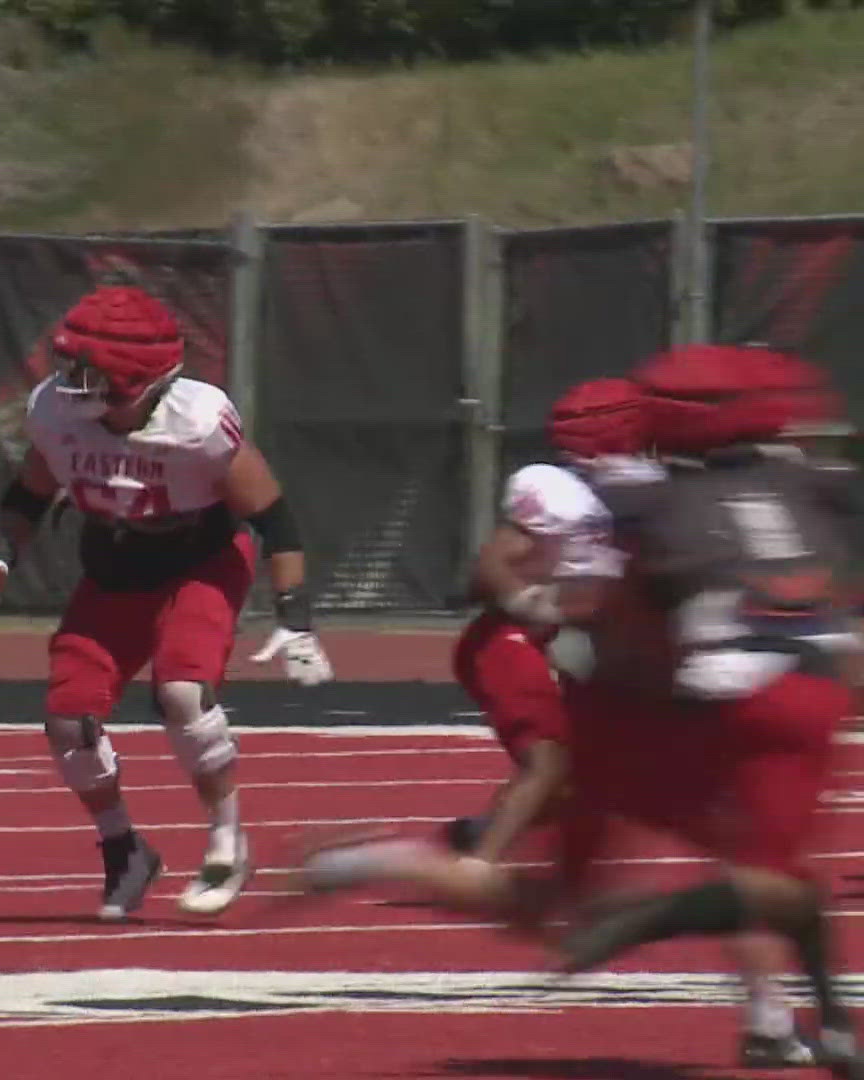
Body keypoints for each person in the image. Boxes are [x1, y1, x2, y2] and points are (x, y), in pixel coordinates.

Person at [298, 376, 816, 1067]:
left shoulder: (667, 493)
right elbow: (495, 572)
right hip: (604, 679)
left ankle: (771, 1018)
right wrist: (551, 610)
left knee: (586, 895)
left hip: (639, 687)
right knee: (649, 829)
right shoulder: (613, 494)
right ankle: (772, 1020)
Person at [0, 285, 332, 921]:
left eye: (90, 371)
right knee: (68, 723)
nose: (70, 383)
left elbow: (276, 520)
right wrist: (3, 557)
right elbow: (30, 494)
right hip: (114, 564)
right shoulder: (56, 412)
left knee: (184, 694)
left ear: (137, 377)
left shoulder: (198, 425)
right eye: (70, 367)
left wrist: (295, 617)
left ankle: (226, 839)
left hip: (200, 560)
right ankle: (124, 850)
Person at [543, 344, 861, 1076]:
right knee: (778, 875)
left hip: (710, 692)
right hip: (807, 692)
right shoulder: (819, 479)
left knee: (767, 871)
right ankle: (815, 1016)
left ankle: (798, 1012)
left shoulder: (645, 492)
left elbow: (601, 604)